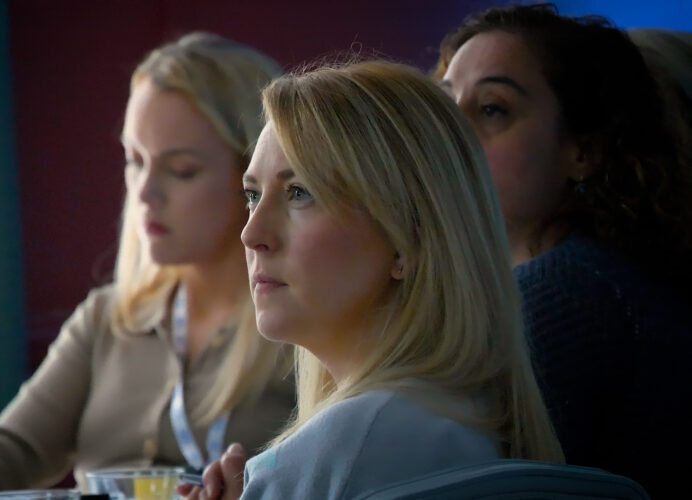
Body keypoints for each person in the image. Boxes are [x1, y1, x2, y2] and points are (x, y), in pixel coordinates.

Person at [0, 33, 294, 499]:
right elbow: (13, 451)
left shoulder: (298, 328)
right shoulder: (109, 319)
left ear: (252, 178)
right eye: (134, 161)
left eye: (181, 170)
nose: (144, 193)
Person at [180, 59, 563, 500]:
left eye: (299, 192)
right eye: (252, 195)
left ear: (407, 240)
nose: (251, 234)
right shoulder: (478, 421)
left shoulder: (344, 450)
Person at [436, 4, 692, 496]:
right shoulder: (592, 278)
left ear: (584, 152)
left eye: (492, 109)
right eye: (446, 107)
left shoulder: (562, 295)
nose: (451, 134)